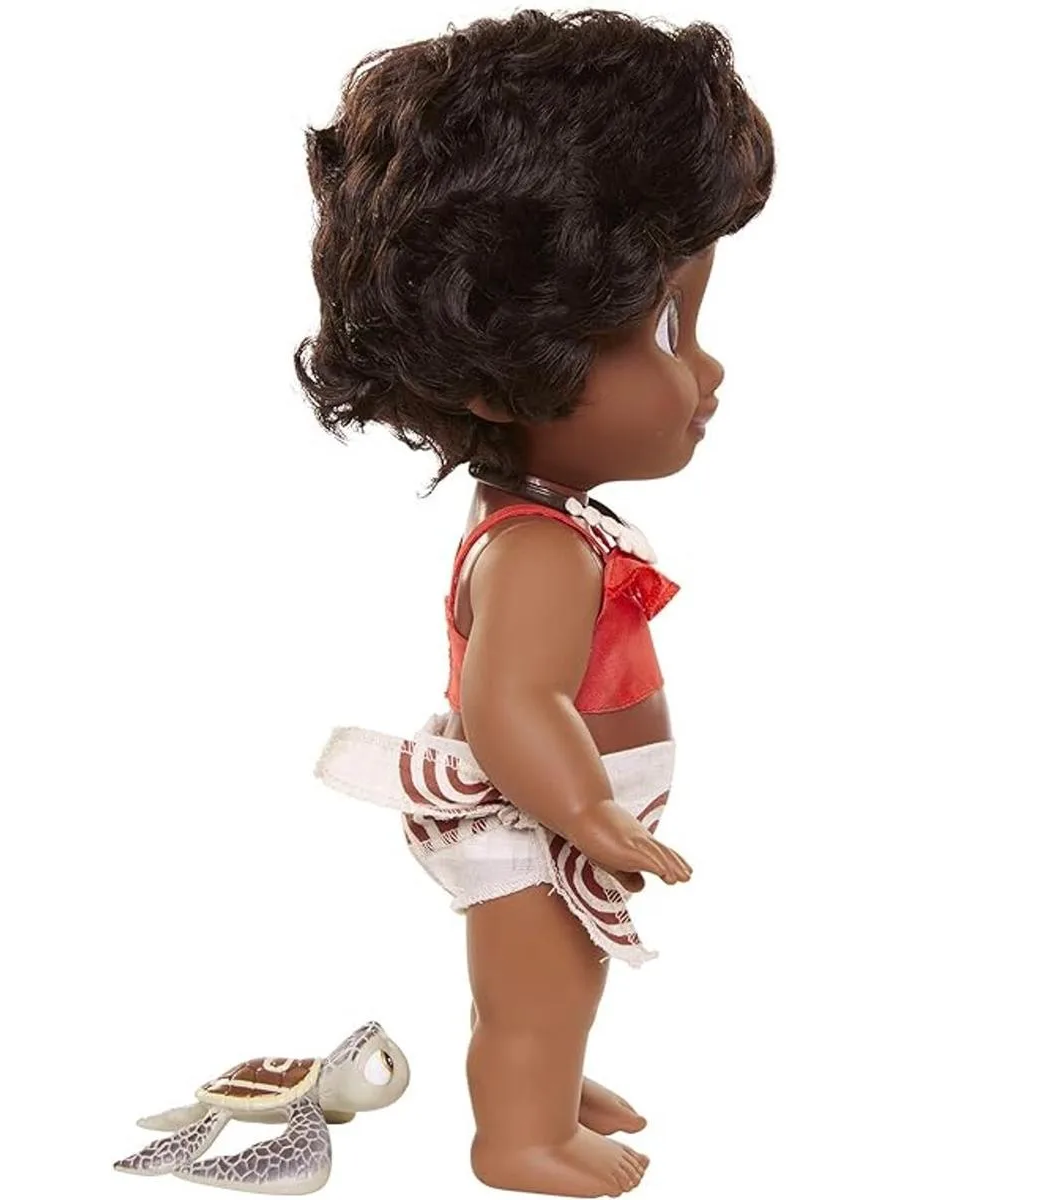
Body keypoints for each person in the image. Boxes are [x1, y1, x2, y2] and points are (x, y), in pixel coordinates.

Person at [299, 10, 775, 1196]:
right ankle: (518, 1134)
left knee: (554, 976)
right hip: (534, 817)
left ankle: (546, 1083)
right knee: (534, 988)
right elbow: (514, 700)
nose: (708, 369)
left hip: (558, 809)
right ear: (507, 369)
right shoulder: (539, 553)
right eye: (667, 330)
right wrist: (587, 812)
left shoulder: (548, 518)